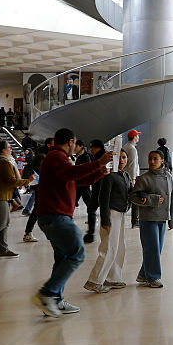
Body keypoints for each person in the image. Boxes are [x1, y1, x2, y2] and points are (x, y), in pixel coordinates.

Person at [30, 127, 114, 318]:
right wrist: (97, 163)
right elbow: (71, 174)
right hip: (56, 216)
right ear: (70, 142)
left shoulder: (58, 159)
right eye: (74, 144)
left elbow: (75, 181)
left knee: (62, 259)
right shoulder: (56, 157)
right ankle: (47, 294)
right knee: (77, 253)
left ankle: (55, 301)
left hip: (55, 216)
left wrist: (99, 172)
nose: (74, 147)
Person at [84, 150, 131, 294]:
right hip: (111, 214)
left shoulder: (126, 175)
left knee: (119, 247)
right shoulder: (108, 176)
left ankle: (113, 278)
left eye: (124, 157)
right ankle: (95, 281)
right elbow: (102, 199)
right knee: (108, 248)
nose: (121, 160)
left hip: (121, 214)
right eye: (118, 157)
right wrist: (105, 219)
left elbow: (131, 193)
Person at [130, 150, 173, 288]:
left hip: (162, 217)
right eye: (150, 159)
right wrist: (152, 200)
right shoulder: (143, 178)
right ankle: (153, 277)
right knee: (152, 249)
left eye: (155, 159)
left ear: (162, 160)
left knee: (157, 249)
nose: (152, 162)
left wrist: (172, 220)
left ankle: (144, 274)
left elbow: (172, 198)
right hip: (148, 218)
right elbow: (133, 197)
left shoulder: (168, 176)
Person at [0, 140, 33, 258]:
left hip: (2, 196)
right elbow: (11, 181)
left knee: (5, 223)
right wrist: (29, 181)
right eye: (9, 147)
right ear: (3, 150)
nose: (11, 149)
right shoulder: (3, 163)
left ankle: (3, 249)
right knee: (1, 224)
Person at [123, 129, 141, 228]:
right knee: (135, 199)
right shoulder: (132, 149)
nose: (138, 137)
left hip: (126, 176)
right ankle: (135, 220)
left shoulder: (126, 146)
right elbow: (132, 165)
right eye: (137, 136)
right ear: (134, 137)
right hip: (131, 177)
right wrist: (133, 178)